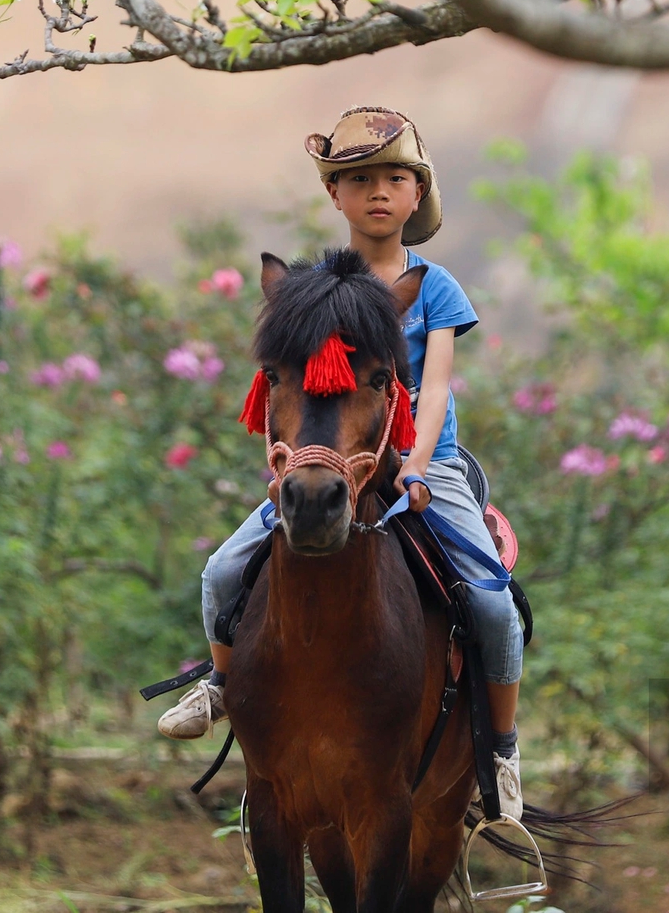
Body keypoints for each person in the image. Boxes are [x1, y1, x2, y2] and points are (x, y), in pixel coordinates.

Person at [156, 106, 527, 817]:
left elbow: (437, 385)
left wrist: (416, 465)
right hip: (332, 461)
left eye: (395, 177)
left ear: (418, 193)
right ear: (335, 195)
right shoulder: (315, 291)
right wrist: (288, 453)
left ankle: (501, 752)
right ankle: (221, 684)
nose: (378, 191)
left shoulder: (435, 287)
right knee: (223, 570)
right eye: (359, 179)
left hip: (425, 461)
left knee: (490, 599)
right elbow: (291, 382)